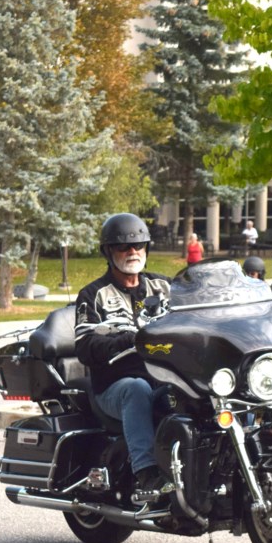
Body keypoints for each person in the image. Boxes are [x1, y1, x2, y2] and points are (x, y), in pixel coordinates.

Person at [74, 213, 171, 499]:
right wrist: (125, 339)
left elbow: (197, 307)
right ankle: (147, 473)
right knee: (137, 389)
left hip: (165, 377)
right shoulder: (94, 294)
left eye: (138, 246)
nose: (132, 252)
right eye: (123, 247)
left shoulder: (163, 287)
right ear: (108, 252)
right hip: (114, 386)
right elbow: (84, 346)